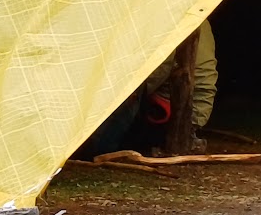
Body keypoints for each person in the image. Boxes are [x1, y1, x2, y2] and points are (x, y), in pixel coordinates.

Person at [77, 19, 218, 157]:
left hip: (169, 114)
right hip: (190, 114)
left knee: (126, 90)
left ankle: (90, 149)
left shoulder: (170, 16)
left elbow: (152, 74)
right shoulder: (195, 10)